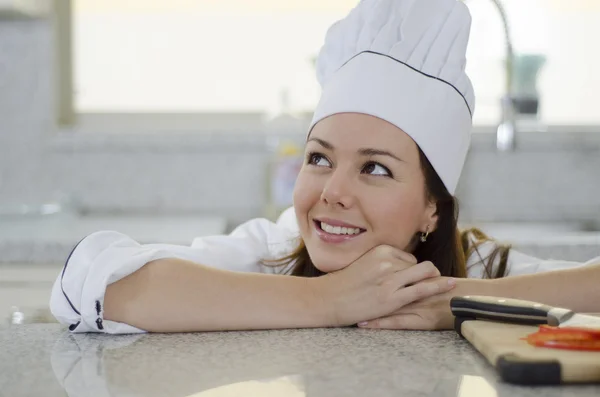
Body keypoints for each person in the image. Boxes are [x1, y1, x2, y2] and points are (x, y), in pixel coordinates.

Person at [50, 0, 600, 334]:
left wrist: (458, 303)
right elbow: (92, 285)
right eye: (320, 158)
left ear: (433, 207)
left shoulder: (474, 267)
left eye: (376, 169)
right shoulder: (274, 252)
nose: (332, 192)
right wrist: (326, 300)